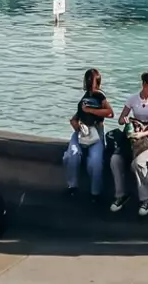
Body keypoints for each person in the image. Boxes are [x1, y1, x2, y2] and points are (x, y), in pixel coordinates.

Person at [111, 71, 148, 216]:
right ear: (144, 84)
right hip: (132, 136)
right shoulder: (133, 99)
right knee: (115, 160)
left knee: (138, 163)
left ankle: (146, 198)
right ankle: (120, 194)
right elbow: (121, 118)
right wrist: (125, 120)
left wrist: (143, 133)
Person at [63, 67, 113, 199]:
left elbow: (109, 112)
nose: (91, 83)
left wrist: (91, 110)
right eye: (89, 80)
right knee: (72, 154)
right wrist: (75, 123)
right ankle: (72, 185)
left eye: (93, 80)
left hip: (96, 131)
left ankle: (95, 192)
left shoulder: (100, 96)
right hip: (82, 131)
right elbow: (78, 115)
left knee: (95, 162)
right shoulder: (85, 97)